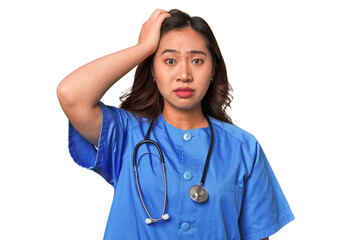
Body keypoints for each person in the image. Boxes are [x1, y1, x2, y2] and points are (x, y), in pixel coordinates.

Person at [57, 9, 294, 240]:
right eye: (170, 60)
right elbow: (71, 94)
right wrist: (143, 48)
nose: (184, 74)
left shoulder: (244, 148)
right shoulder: (126, 134)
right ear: (152, 70)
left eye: (197, 61)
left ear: (213, 70)